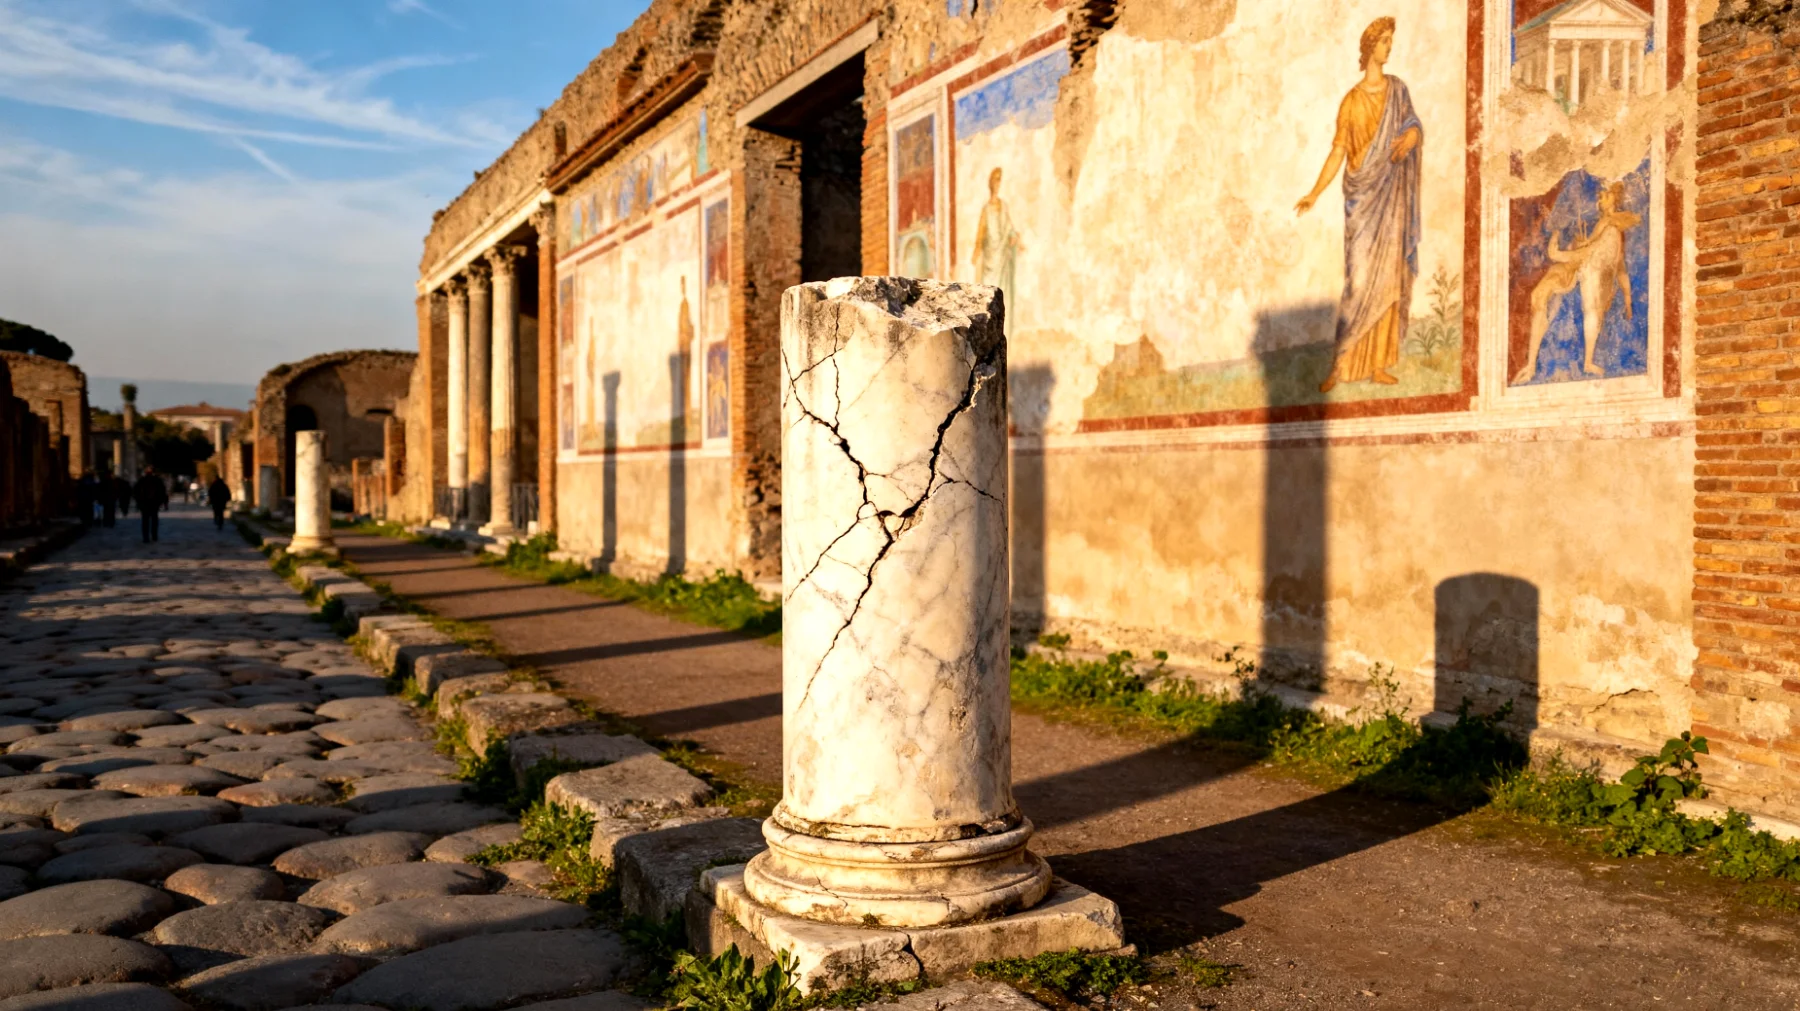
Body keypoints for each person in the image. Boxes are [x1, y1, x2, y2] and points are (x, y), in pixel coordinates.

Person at [1296, 16, 1424, 394]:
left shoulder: (1398, 91)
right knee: (1360, 280)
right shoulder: (1351, 102)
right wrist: (1315, 192)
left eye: (1390, 41)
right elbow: (1339, 151)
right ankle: (1342, 362)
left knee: (1388, 277)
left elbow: (1413, 125)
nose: (1389, 47)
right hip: (1363, 200)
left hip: (1392, 198)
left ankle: (1379, 363)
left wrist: (1413, 136)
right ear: (1369, 48)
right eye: (1384, 41)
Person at [1512, 181, 1641, 384]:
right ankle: (1531, 365)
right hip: (1585, 267)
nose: (1600, 200)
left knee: (1592, 310)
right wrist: (1562, 251)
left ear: (1615, 198)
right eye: (1600, 196)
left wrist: (1626, 297)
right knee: (1540, 294)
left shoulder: (1613, 229)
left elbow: (1617, 264)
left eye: (1605, 195)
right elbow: (1589, 249)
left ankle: (1587, 362)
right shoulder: (1604, 225)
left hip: (1591, 269)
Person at [133, 466, 169, 544]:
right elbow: (163, 492)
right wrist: (162, 502)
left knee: (145, 521)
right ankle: (154, 536)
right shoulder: (157, 480)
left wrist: (138, 502)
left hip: (145, 504)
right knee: (154, 520)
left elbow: (135, 492)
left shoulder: (142, 480)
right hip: (153, 504)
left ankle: (146, 537)